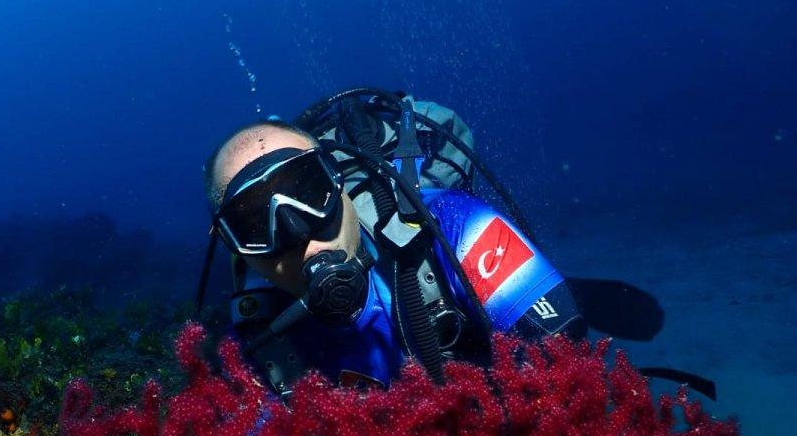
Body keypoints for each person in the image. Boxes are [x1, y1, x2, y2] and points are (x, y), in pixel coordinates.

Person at [200, 89, 587, 397]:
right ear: (235, 249)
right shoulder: (253, 342)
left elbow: (566, 373)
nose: (297, 230)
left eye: (309, 190)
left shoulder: (455, 228)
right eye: (253, 222)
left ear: (339, 182)